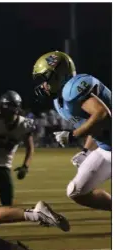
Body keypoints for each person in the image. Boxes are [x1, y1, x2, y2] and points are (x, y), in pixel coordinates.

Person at [33, 51, 111, 211]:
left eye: (46, 79)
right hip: (106, 148)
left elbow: (101, 114)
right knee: (76, 191)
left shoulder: (73, 88)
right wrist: (86, 150)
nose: (44, 85)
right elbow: (94, 124)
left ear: (59, 75)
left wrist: (72, 135)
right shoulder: (60, 99)